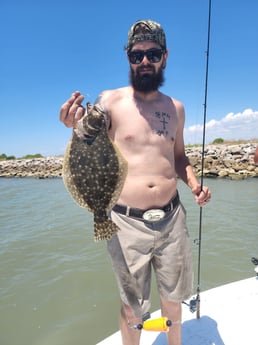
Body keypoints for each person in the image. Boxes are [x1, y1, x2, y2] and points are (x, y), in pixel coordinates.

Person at [60, 20, 211, 345]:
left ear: (165, 57)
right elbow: (86, 133)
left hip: (173, 219)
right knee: (133, 311)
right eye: (136, 54)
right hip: (125, 222)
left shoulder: (177, 109)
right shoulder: (110, 100)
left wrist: (195, 185)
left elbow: (179, 157)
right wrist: (73, 122)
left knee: (173, 302)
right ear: (127, 56)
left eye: (152, 53)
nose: (145, 61)